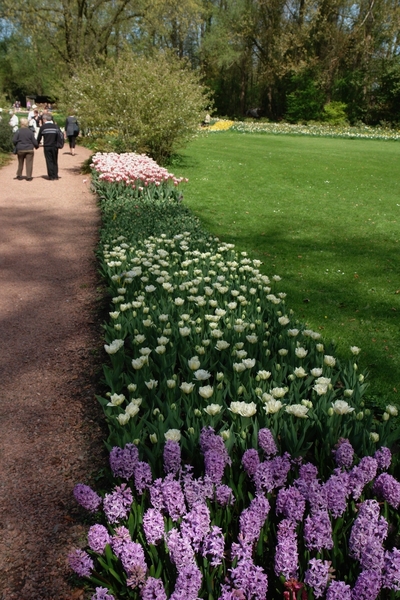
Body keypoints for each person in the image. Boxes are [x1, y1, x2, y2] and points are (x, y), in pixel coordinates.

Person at [36, 113, 61, 180]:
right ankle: (55, 175)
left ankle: (51, 176)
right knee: (55, 160)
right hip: (55, 146)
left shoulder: (43, 127)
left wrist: (36, 145)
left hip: (47, 146)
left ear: (44, 119)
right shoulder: (56, 126)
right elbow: (59, 136)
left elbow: (39, 137)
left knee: (49, 161)